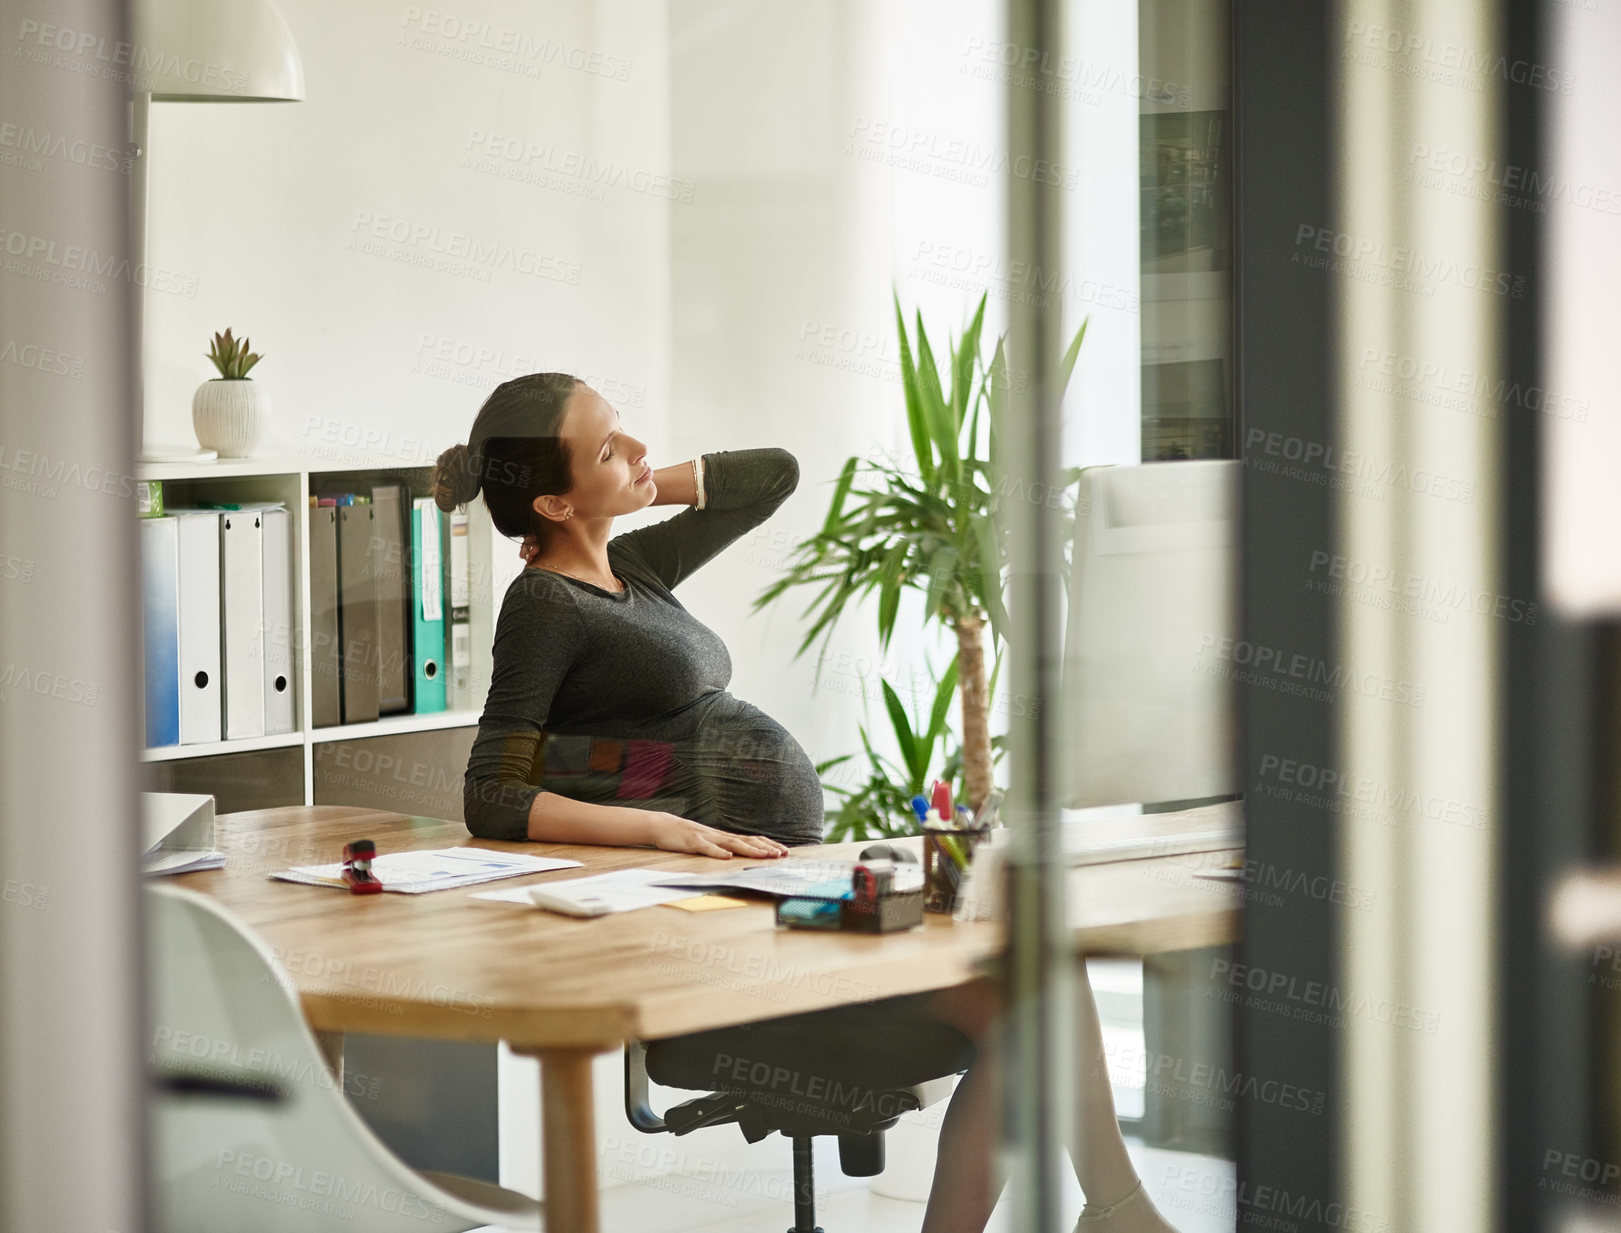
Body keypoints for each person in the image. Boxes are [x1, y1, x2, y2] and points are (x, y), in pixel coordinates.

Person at [436, 373, 1179, 1233]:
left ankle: (1114, 1207)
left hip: (782, 892)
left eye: (624, 428)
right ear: (556, 503)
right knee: (1027, 991)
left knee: (1040, 969)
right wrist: (666, 826)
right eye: (608, 448)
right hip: (721, 939)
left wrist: (632, 483)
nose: (639, 448)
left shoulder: (631, 568)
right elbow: (493, 793)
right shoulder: (543, 605)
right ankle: (1119, 1210)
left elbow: (773, 475)